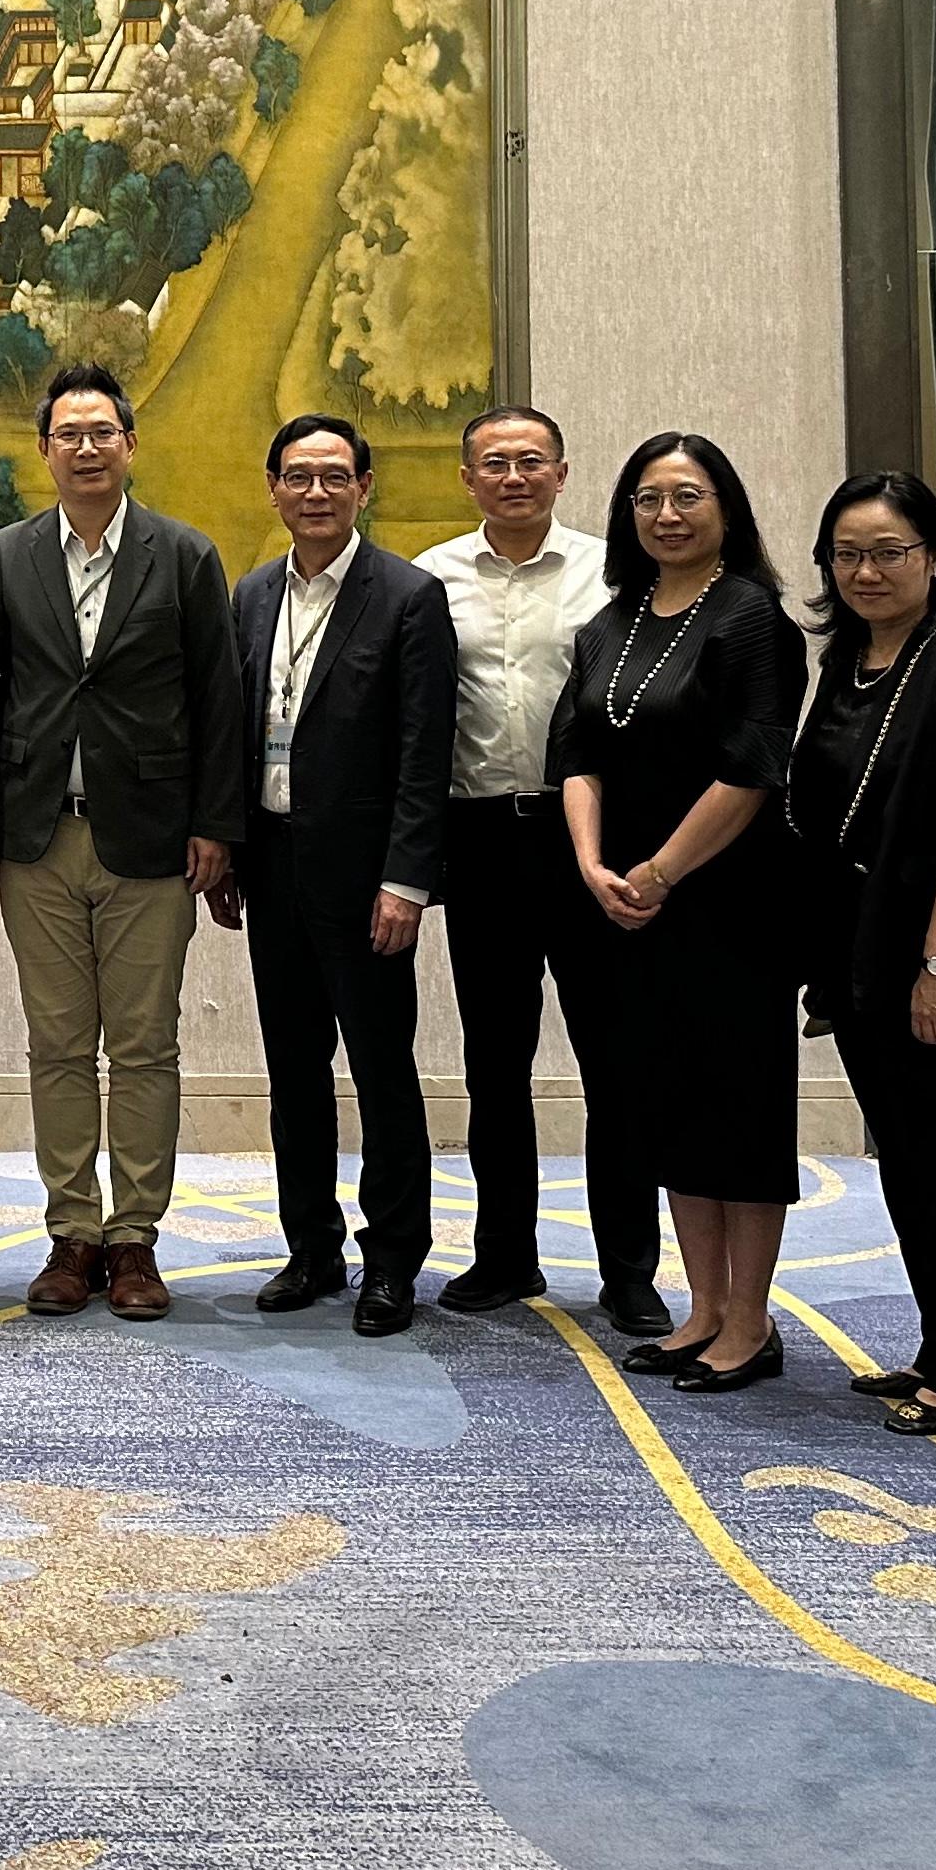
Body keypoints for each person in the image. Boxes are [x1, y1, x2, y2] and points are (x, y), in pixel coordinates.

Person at [0, 365, 245, 1321]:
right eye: (68, 434)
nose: (86, 449)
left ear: (130, 445)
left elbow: (219, 701)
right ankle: (70, 1233)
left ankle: (134, 1241)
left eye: (103, 433)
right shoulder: (6, 557)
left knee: (142, 1045)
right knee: (54, 1044)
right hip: (39, 840)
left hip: (152, 839)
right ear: (45, 450)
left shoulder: (184, 555)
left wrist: (216, 826)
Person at [548, 432, 803, 1389]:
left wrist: (656, 872)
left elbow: (754, 768)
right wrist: (591, 865)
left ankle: (750, 1322)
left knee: (740, 1108)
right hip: (625, 904)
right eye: (650, 498)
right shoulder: (609, 623)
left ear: (725, 509)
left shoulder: (750, 620)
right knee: (670, 1106)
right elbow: (575, 752)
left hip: (727, 902)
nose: (668, 514)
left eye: (688, 496)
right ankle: (701, 1308)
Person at [787, 472, 936, 1436]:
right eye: (847, 554)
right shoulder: (848, 663)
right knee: (906, 1161)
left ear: (933, 558)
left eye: (889, 552)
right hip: (860, 948)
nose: (866, 571)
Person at [217, 416, 454, 1335]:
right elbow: (240, 730)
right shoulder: (249, 596)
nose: (315, 494)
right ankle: (311, 1246)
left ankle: (393, 1260)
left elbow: (422, 751)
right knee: (294, 1072)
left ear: (363, 488)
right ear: (273, 488)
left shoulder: (406, 597)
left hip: (366, 882)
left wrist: (407, 881)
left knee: (384, 1071)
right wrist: (229, 852)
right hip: (272, 866)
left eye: (334, 477)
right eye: (297, 478)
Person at [415, 407, 648, 1326]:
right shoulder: (431, 579)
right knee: (494, 1064)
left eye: (531, 462)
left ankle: (628, 1268)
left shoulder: (612, 574)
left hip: (592, 843)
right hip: (480, 841)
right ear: (468, 478)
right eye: (493, 463)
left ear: (561, 473)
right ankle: (505, 1253)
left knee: (613, 1062)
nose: (513, 477)